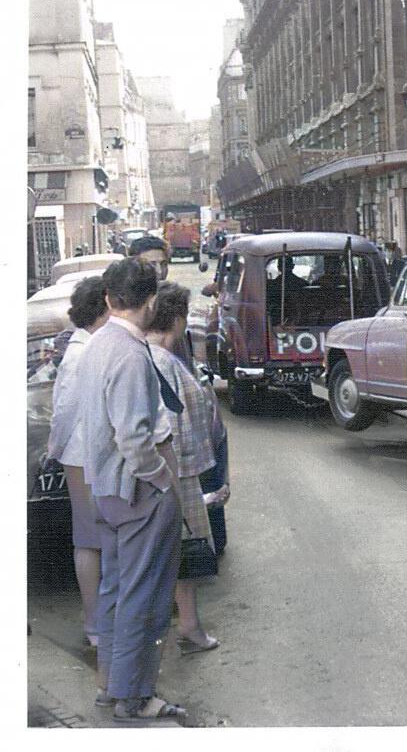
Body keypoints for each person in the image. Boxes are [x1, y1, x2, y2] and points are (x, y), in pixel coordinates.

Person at [79, 258, 187, 722]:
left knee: (117, 589)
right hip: (137, 490)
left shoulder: (98, 344)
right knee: (146, 596)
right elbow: (135, 438)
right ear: (150, 302)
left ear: (108, 299)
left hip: (105, 487)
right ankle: (136, 696)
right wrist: (163, 481)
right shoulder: (127, 353)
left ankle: (112, 687)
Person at [147, 282, 227, 655]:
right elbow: (173, 427)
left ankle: (187, 626)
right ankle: (187, 627)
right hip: (176, 472)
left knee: (178, 554)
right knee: (186, 553)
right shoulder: (162, 361)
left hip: (173, 470)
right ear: (177, 319)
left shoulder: (153, 356)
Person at [47, 277, 110, 648]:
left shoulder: (90, 347)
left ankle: (100, 622)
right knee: (89, 539)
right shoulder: (81, 352)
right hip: (83, 455)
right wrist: (54, 450)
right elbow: (64, 411)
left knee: (94, 538)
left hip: (89, 454)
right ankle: (94, 623)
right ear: (101, 308)